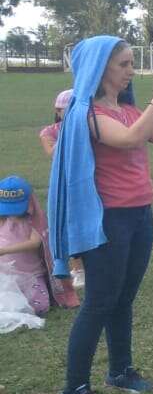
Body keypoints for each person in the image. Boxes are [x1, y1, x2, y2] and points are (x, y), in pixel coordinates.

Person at [47, 36, 153, 394]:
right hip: (107, 218)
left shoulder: (126, 110)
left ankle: (120, 371)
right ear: (100, 68)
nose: (130, 71)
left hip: (139, 213)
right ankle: (73, 390)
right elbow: (128, 141)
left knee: (123, 298)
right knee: (99, 302)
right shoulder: (88, 112)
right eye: (123, 64)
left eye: (130, 64)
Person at [39, 89, 85, 287]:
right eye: (65, 110)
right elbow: (52, 153)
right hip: (63, 185)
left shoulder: (88, 126)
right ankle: (78, 268)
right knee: (68, 224)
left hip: (86, 181)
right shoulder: (49, 132)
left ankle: (92, 265)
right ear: (58, 111)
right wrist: (69, 132)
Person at [0, 175, 51, 316]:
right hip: (6, 274)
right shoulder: (3, 219)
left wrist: (5, 250)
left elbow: (35, 242)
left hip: (31, 275)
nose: (12, 213)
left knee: (41, 307)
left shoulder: (34, 220)